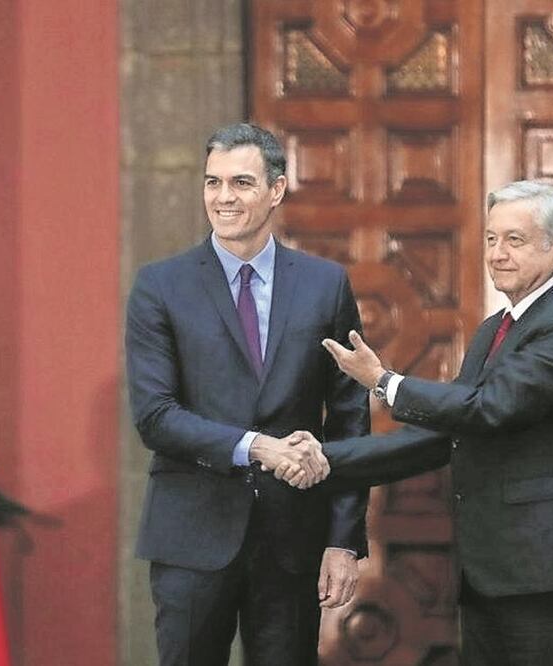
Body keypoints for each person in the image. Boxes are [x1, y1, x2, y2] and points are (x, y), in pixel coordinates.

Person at [312, 181, 553, 665]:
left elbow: (490, 406)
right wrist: (322, 459)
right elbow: (446, 435)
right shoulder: (496, 328)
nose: (496, 254)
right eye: (492, 239)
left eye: (514, 240)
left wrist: (384, 381)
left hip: (551, 577)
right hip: (493, 574)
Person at [125, 122, 370, 666]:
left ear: (276, 190)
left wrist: (344, 539)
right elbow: (155, 416)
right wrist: (259, 446)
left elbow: (350, 419)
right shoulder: (160, 286)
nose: (223, 198)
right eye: (212, 183)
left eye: (240, 183)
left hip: (292, 542)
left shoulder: (324, 284)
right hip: (192, 536)